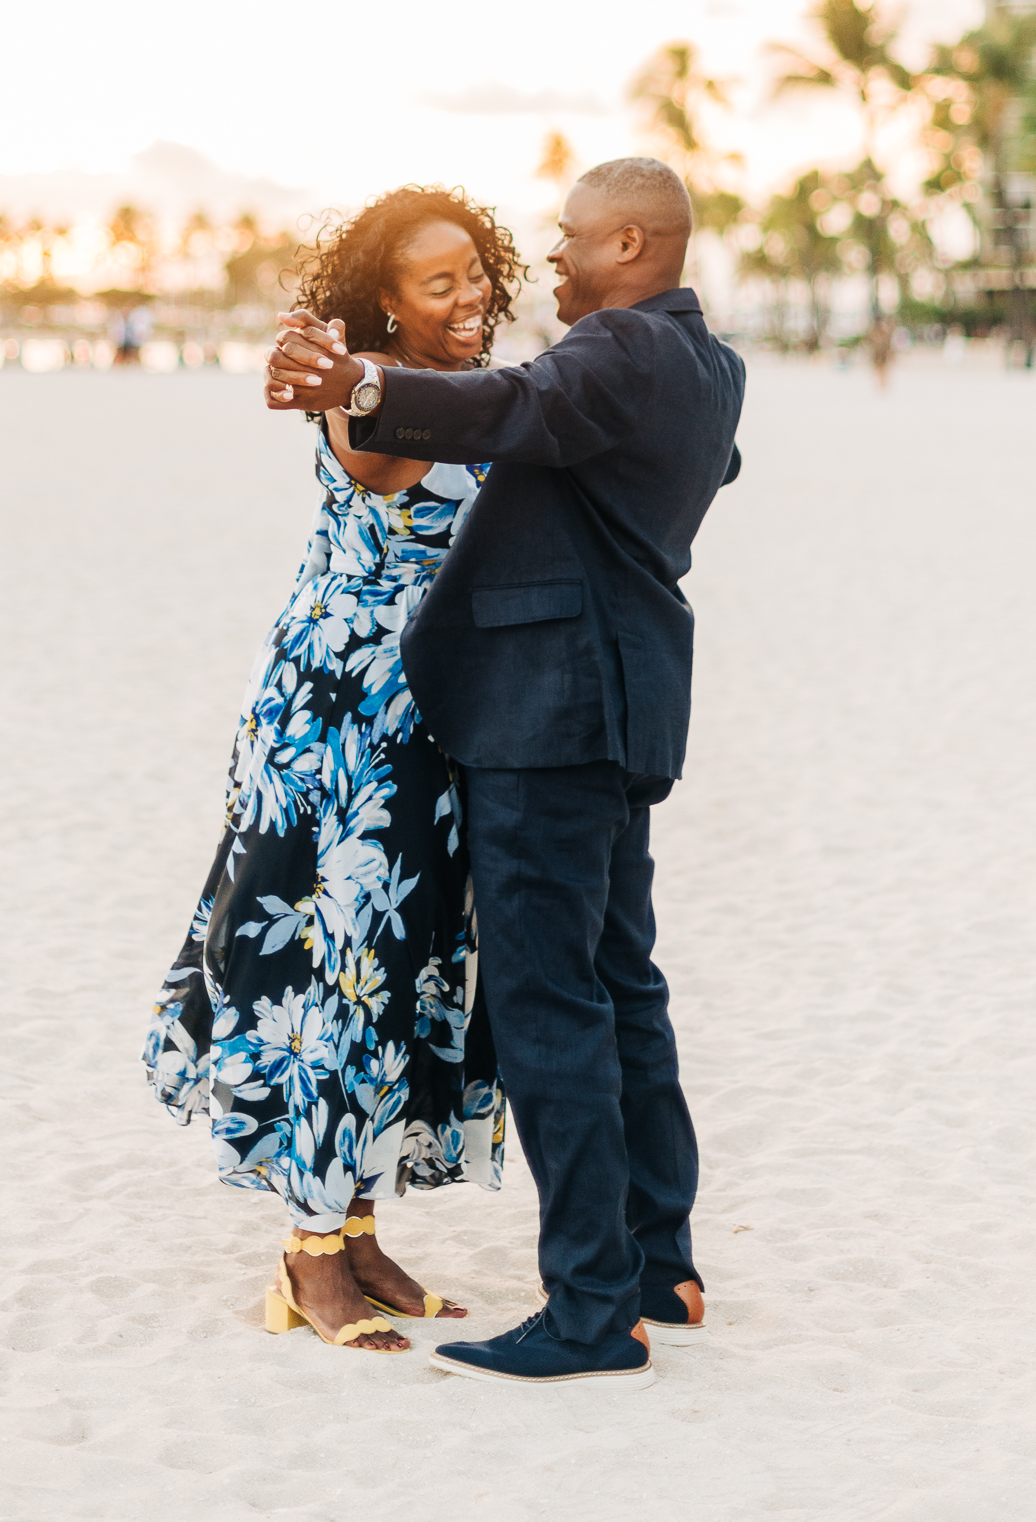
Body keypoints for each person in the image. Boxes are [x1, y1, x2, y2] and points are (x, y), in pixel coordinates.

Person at [267, 156, 745, 1386]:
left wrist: (365, 380)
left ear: (633, 244)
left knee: (552, 1009)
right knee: (622, 983)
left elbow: (514, 407)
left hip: (548, 717)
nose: (554, 262)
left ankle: (591, 1308)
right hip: (624, 710)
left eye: (575, 241)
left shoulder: (620, 354)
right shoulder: (708, 368)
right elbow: (592, 438)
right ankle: (658, 1263)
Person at [144, 186, 520, 1354]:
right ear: (387, 302)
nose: (469, 298)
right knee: (334, 976)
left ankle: (356, 1230)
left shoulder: (455, 387)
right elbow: (381, 453)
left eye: (476, 272)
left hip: (429, 718)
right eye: (439, 282)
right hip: (340, 719)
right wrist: (348, 371)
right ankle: (308, 1259)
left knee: (392, 970)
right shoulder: (363, 396)